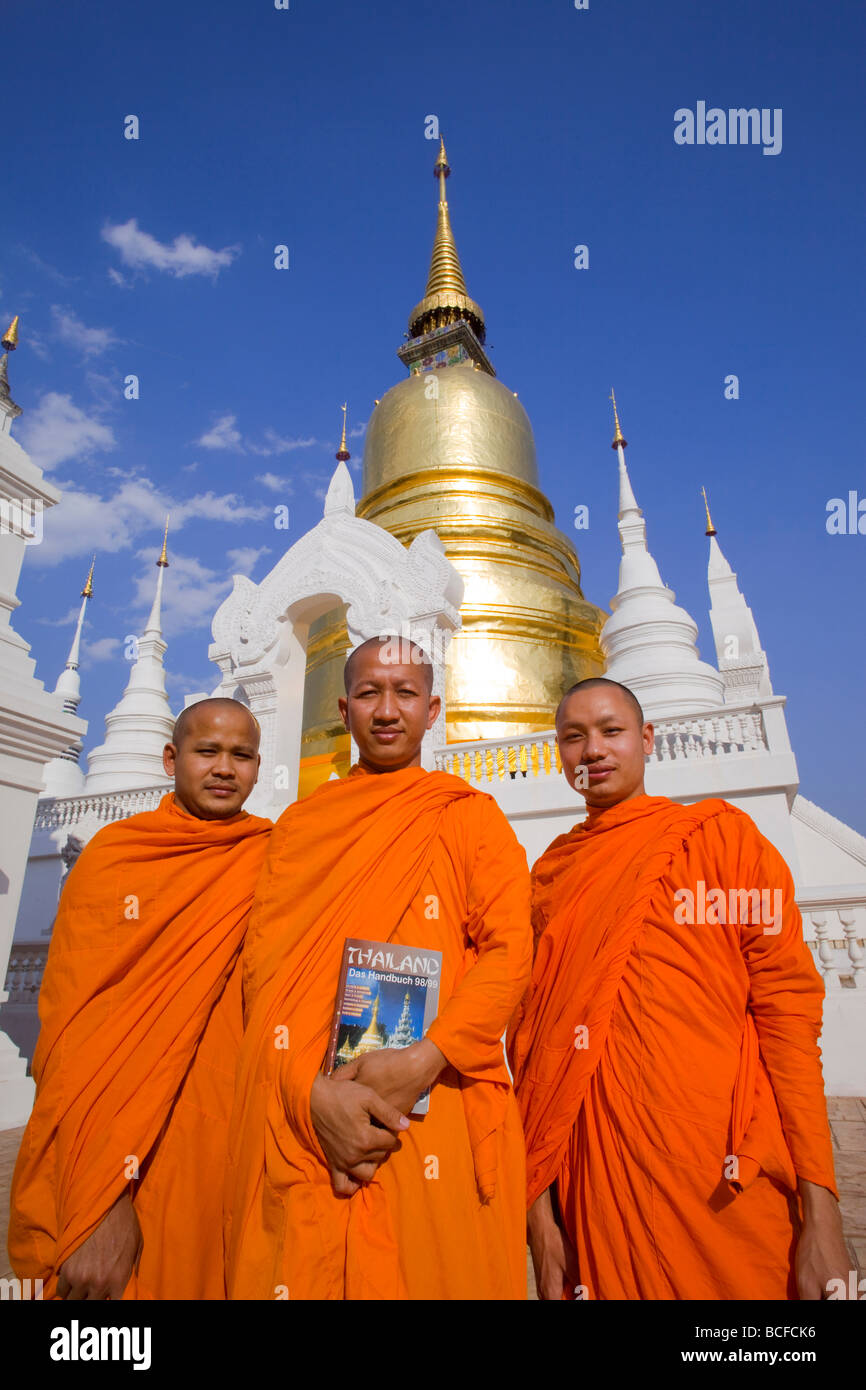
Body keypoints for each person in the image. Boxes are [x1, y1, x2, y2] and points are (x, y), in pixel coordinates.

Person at [508, 677, 849, 1301]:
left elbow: (789, 1022)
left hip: (723, 1171)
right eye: (573, 738)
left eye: (611, 731)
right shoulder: (549, 879)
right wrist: (540, 1217)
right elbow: (533, 1048)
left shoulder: (723, 841)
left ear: (647, 739)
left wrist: (821, 1207)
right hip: (601, 1178)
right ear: (558, 754)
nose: (593, 752)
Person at [225, 636, 533, 1300]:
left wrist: (425, 1057)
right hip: (313, 1110)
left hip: (434, 1100)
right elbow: (263, 982)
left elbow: (511, 954)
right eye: (369, 693)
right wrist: (310, 1097)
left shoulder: (471, 818)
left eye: (405, 693)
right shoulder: (301, 828)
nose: (387, 710)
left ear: (433, 709)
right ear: (343, 708)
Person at [9, 698, 271, 1300]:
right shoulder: (117, 858)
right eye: (208, 752)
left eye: (242, 755)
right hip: (115, 1156)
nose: (224, 769)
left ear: (259, 766)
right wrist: (101, 1196)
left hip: (228, 1149)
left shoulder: (271, 857)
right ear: (171, 758)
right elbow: (72, 1041)